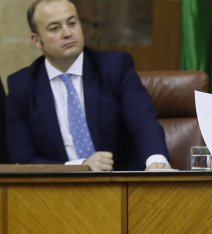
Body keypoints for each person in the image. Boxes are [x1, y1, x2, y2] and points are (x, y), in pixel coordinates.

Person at [6, 0, 171, 171]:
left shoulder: (115, 68)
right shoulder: (21, 87)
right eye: (55, 28)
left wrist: (156, 162)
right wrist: (80, 167)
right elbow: (23, 158)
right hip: (56, 190)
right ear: (36, 40)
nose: (67, 33)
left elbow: (143, 122)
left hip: (120, 184)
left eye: (72, 23)